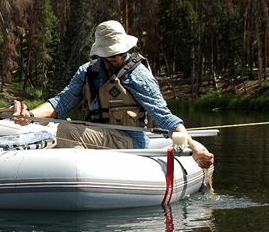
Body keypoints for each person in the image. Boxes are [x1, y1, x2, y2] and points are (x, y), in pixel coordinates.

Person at [12, 20, 214, 169]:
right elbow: (61, 102)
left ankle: (83, 173)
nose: (118, 57)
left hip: (130, 142)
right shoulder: (87, 71)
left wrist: (194, 146)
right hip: (98, 140)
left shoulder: (138, 75)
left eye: (121, 52)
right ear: (101, 52)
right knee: (52, 145)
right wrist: (30, 116)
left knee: (66, 130)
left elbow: (164, 116)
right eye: (112, 53)